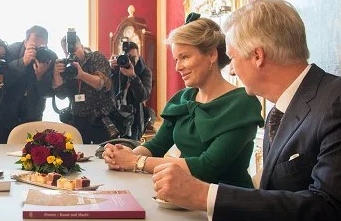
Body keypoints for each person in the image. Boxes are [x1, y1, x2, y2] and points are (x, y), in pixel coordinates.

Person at [146, 0, 341, 221]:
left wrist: (203, 195)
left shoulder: (336, 101)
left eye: (234, 57)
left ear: (258, 56)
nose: (234, 70)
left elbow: (328, 211)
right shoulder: (288, 106)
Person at [103, 14, 263, 188]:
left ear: (211, 55)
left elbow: (207, 167)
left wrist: (135, 161)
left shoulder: (242, 102)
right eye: (176, 59)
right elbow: (156, 145)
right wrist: (123, 156)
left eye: (185, 57)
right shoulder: (183, 98)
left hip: (225, 206)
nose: (178, 67)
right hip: (180, 198)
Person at [0, 25, 54, 143]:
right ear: (25, 43)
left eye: (42, 47)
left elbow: (48, 93)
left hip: (32, 116)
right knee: (0, 156)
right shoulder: (10, 51)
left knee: (31, 156)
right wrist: (22, 62)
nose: (37, 51)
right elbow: (2, 80)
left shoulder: (50, 57)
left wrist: (41, 76)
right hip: (5, 115)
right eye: (33, 47)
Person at [53, 33, 117, 144]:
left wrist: (81, 75)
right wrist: (56, 76)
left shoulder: (96, 57)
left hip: (102, 119)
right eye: (67, 51)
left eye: (75, 49)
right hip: (78, 120)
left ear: (82, 46)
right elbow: (61, 95)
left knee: (105, 156)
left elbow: (104, 84)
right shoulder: (66, 66)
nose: (72, 54)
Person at [110, 41, 153, 140]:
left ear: (139, 56)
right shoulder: (117, 68)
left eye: (133, 57)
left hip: (135, 118)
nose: (129, 61)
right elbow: (108, 91)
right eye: (127, 57)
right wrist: (111, 70)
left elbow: (143, 96)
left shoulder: (145, 71)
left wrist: (133, 76)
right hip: (115, 116)